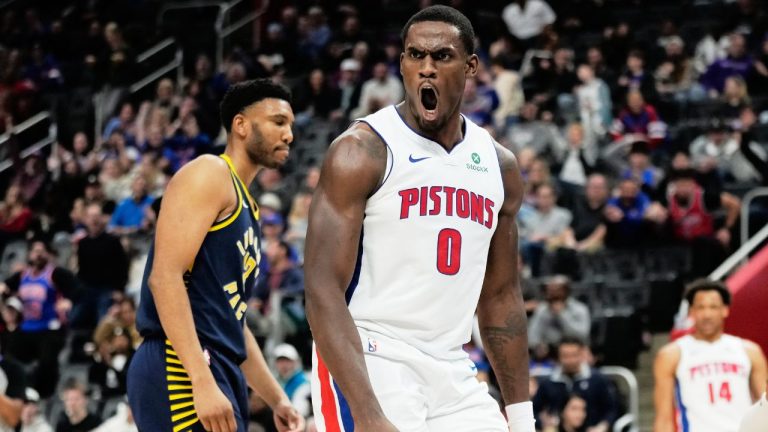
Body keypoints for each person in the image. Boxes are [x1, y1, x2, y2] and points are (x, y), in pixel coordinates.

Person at [305, 6, 534, 432]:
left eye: (441, 57)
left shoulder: (498, 165)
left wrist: (522, 418)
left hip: (451, 365)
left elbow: (501, 297)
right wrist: (368, 412)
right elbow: (321, 289)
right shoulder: (362, 150)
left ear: (470, 68)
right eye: (415, 56)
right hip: (372, 355)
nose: (426, 69)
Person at [126, 79, 304, 432]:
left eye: (291, 126)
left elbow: (233, 323)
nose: (289, 135)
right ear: (240, 125)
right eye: (278, 122)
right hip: (181, 364)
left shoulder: (248, 209)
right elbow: (164, 278)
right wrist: (200, 378)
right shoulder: (210, 173)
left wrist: (277, 399)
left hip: (218, 366)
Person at [653, 280, 768, 432]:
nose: (707, 314)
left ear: (725, 310)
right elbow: (663, 418)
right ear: (691, 312)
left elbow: (765, 406)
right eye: (700, 307)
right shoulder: (672, 354)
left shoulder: (749, 351)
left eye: (713, 307)